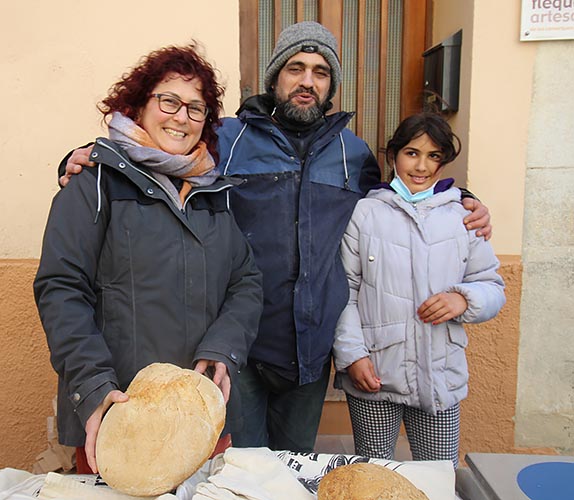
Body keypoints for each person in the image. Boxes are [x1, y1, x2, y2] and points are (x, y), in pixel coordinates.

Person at [59, 22, 492, 453]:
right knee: (240, 472)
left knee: (292, 472)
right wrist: (81, 159)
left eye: (320, 72)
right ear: (274, 77)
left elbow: (395, 205)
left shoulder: (354, 154)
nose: (307, 81)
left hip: (310, 354)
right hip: (237, 349)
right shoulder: (228, 138)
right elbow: (163, 154)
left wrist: (460, 199)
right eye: (295, 68)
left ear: (331, 85)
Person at [33, 44, 263, 474]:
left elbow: (245, 281)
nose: (181, 117)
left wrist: (224, 348)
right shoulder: (95, 183)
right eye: (169, 101)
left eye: (195, 108)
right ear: (139, 105)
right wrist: (93, 386)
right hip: (120, 415)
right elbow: (61, 288)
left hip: (201, 418)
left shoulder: (212, 193)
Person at [332, 112, 506, 468]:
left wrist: (464, 299)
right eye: (412, 153)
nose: (422, 166)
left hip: (439, 376)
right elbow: (344, 290)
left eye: (433, 156)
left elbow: (492, 286)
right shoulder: (365, 213)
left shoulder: (463, 217)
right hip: (374, 374)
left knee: (439, 475)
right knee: (374, 476)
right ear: (393, 155)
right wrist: (352, 356)